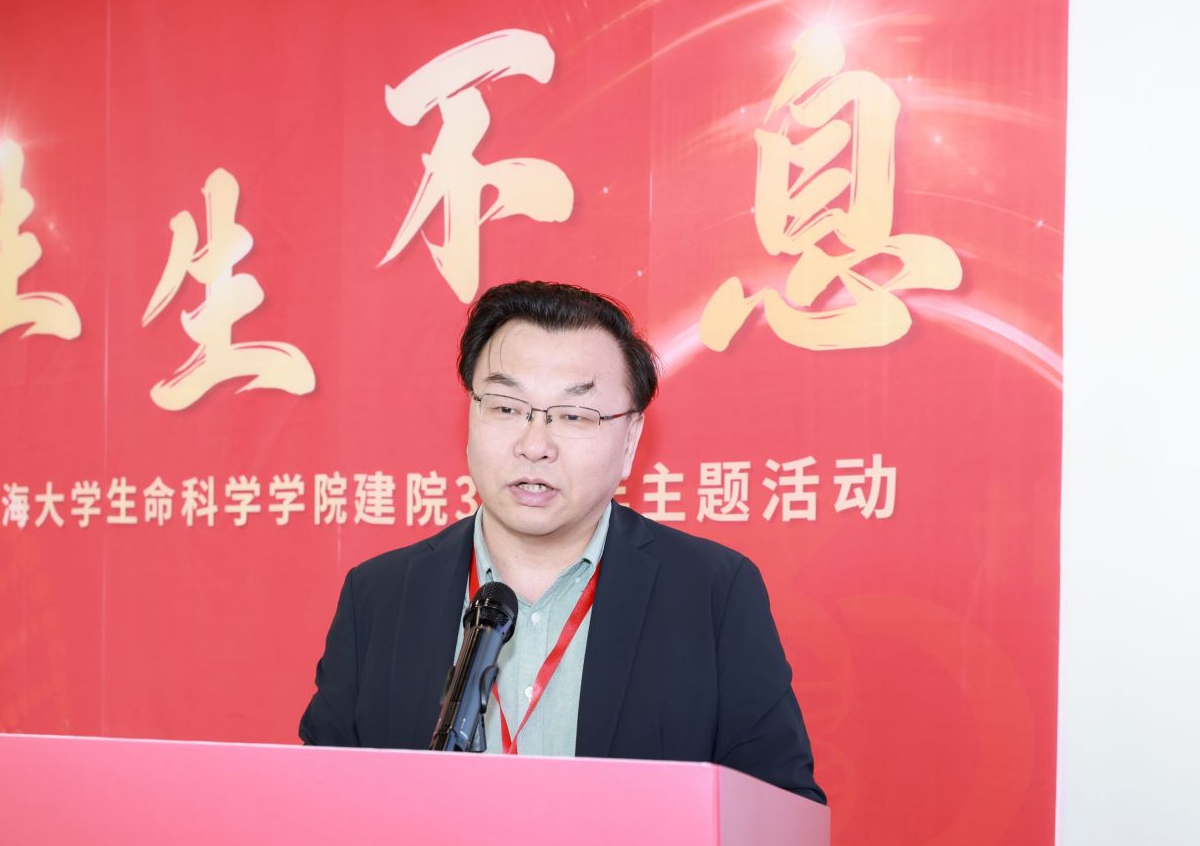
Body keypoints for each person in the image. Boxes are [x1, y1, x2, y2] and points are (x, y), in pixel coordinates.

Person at [297, 280, 824, 803]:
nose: (534, 445)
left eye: (574, 416)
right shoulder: (380, 596)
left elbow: (781, 809)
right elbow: (318, 806)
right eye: (506, 407)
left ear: (630, 440)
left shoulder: (712, 593)